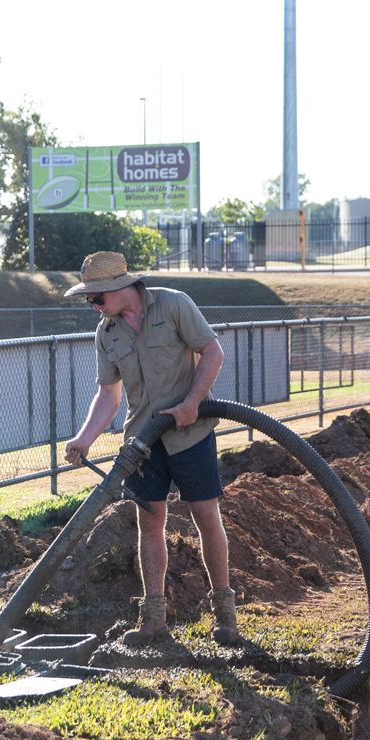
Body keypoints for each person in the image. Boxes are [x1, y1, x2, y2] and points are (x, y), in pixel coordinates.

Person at [60, 251, 237, 644]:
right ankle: (153, 620)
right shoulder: (106, 333)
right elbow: (108, 395)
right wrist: (84, 438)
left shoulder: (173, 305)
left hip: (190, 433)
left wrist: (192, 403)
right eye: (89, 298)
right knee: (149, 523)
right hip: (142, 441)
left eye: (96, 297)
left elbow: (212, 352)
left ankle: (225, 616)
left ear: (120, 288)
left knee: (205, 516)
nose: (93, 305)